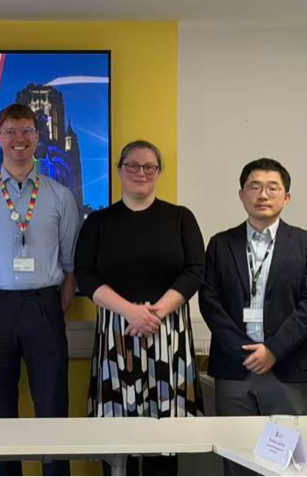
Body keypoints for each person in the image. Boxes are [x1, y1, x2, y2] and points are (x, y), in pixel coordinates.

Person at [0, 103, 78, 477]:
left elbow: (70, 267)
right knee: (0, 411)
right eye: (10, 131)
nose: (18, 139)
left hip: (45, 306)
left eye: (26, 130)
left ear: (38, 137)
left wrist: (52, 309)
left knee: (52, 409)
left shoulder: (60, 195)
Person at [75, 140, 204, 477]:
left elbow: (195, 270)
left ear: (159, 172)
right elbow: (85, 275)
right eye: (132, 165)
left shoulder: (180, 218)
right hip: (117, 337)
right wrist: (130, 312)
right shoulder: (98, 222)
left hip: (168, 336)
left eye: (149, 166)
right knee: (118, 439)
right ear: (119, 170)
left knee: (164, 440)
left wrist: (156, 312)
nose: (140, 172)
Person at [198, 158, 307, 477]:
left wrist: (273, 350)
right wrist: (244, 350)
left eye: (272, 188)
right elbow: (210, 302)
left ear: (287, 197)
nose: (263, 195)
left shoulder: (306, 243)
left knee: (289, 465)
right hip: (234, 369)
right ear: (241, 195)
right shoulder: (221, 244)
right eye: (254, 187)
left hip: (287, 369)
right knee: (236, 458)